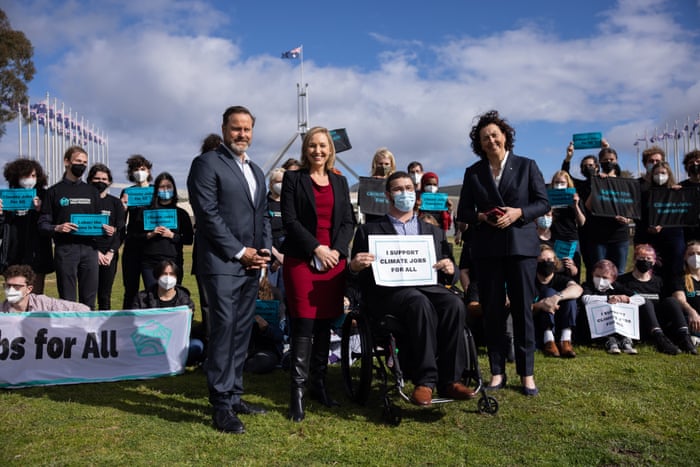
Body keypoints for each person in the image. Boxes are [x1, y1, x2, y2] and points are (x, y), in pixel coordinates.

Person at [350, 171, 475, 406]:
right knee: (417, 302)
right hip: (388, 294)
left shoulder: (434, 232)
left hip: (427, 287)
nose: (404, 193)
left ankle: (451, 380)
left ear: (415, 194)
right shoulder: (369, 231)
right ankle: (425, 381)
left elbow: (452, 273)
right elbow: (355, 278)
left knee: (454, 303)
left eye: (408, 188)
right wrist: (355, 266)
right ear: (388, 195)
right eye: (398, 189)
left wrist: (451, 269)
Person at [187, 105, 271, 434]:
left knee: (240, 331)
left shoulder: (257, 171)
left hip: (252, 264)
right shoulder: (207, 163)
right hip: (221, 263)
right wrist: (240, 252)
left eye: (247, 129)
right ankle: (220, 405)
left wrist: (262, 250)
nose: (242, 134)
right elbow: (207, 214)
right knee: (222, 330)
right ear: (224, 129)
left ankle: (235, 394)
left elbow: (262, 214)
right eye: (236, 128)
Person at [456, 110, 549, 396]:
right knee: (493, 312)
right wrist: (483, 217)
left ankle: (527, 373)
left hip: (521, 247)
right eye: (485, 138)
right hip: (487, 249)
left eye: (495, 135)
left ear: (505, 136)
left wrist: (519, 212)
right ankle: (497, 371)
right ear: (479, 144)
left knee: (522, 311)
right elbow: (464, 212)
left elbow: (542, 203)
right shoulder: (474, 173)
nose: (491, 140)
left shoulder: (526, 166)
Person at [280, 126, 354, 422]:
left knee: (325, 325)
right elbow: (290, 220)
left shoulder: (340, 181)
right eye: (313, 146)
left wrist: (335, 250)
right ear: (305, 149)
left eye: (323, 146)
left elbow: (348, 221)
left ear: (330, 150)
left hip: (333, 262)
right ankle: (296, 394)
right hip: (301, 260)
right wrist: (316, 249)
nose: (318, 151)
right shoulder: (293, 179)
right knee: (304, 325)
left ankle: (318, 386)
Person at [38, 145, 108, 309]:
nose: (81, 165)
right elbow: (43, 224)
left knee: (89, 299)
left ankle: (88, 332)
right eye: (78, 161)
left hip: (90, 250)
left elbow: (98, 222)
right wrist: (57, 228)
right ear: (66, 162)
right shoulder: (53, 192)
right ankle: (69, 333)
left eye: (84, 162)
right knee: (67, 300)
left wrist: (106, 230)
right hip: (65, 249)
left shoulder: (92, 191)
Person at [617, 244, 696, 354]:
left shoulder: (659, 281)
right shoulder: (622, 281)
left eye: (648, 258)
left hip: (659, 321)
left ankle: (684, 337)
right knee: (645, 302)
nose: (645, 261)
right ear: (635, 260)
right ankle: (659, 340)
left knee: (671, 301)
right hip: (637, 323)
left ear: (654, 262)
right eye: (641, 258)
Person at [130, 259, 205, 365]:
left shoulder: (184, 299)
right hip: (150, 341)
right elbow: (134, 320)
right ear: (157, 276)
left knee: (197, 346)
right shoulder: (142, 298)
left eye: (171, 274)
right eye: (164, 274)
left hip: (177, 342)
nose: (168, 278)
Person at [0, 158, 53, 292]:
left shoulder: (45, 196)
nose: (30, 179)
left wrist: (41, 211)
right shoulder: (6, 198)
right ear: (16, 177)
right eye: (25, 175)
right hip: (12, 256)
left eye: (33, 175)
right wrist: (0, 214)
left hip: (37, 255)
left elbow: (49, 226)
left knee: (35, 296)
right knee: (14, 296)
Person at [583, 147, 635, 278]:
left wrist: (628, 218)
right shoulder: (597, 180)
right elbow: (588, 206)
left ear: (617, 161)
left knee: (620, 272)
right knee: (600, 271)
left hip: (619, 235)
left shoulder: (624, 181)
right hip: (598, 235)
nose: (609, 162)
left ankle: (618, 297)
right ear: (599, 162)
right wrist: (598, 185)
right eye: (605, 160)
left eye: (611, 159)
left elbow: (631, 206)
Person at [633, 161, 685, 290]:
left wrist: (680, 194)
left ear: (669, 174)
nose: (659, 176)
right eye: (656, 173)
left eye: (663, 173)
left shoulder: (676, 192)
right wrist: (648, 227)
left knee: (673, 270)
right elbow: (638, 216)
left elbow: (682, 214)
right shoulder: (645, 194)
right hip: (650, 237)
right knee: (653, 269)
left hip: (672, 238)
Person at [140, 172, 193, 288]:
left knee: (172, 297)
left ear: (174, 189)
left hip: (174, 261)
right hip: (150, 262)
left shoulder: (181, 214)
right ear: (156, 189)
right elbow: (135, 235)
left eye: (168, 187)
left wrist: (172, 235)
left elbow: (189, 239)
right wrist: (150, 234)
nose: (165, 190)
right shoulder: (146, 212)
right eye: (162, 187)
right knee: (152, 298)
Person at [581, 259, 643, 355]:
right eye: (597, 276)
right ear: (593, 274)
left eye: (605, 278)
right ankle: (610, 341)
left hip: (618, 322)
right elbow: (586, 299)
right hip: (597, 324)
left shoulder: (617, 286)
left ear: (613, 279)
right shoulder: (588, 285)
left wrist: (626, 299)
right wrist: (608, 298)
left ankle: (625, 340)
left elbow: (641, 299)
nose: (600, 280)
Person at [532, 245, 583, 358]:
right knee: (548, 292)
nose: (546, 263)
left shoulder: (561, 279)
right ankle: (548, 340)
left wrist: (556, 298)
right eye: (542, 260)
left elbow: (577, 289)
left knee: (570, 298)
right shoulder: (530, 281)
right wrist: (540, 305)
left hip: (559, 319)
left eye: (550, 260)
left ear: (555, 262)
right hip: (538, 322)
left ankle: (565, 340)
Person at [87, 164, 125, 310]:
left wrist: (110, 252)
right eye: (96, 178)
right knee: (88, 294)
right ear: (90, 180)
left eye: (104, 178)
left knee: (105, 295)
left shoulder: (115, 203)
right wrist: (94, 252)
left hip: (109, 255)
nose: (100, 181)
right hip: (89, 253)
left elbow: (121, 230)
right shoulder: (85, 201)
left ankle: (104, 328)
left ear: (109, 181)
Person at [120, 154, 154, 308]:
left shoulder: (156, 190)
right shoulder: (127, 192)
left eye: (143, 169)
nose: (139, 172)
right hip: (132, 245)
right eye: (136, 169)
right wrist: (123, 208)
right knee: (130, 290)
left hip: (152, 246)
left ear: (148, 171)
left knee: (152, 289)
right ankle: (127, 324)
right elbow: (121, 220)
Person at [2, 264, 89, 312]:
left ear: (29, 289)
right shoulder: (2, 310)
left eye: (17, 286)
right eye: (8, 286)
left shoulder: (44, 304)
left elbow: (83, 310)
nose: (11, 290)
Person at [549, 170, 585, 281]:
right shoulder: (548, 198)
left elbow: (582, 222)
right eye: (556, 182)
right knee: (553, 269)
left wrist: (575, 206)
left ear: (568, 184)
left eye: (562, 182)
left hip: (570, 240)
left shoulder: (575, 199)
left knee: (572, 269)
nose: (559, 185)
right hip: (553, 238)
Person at [671, 240, 700, 350]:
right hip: (691, 319)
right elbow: (680, 299)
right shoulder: (679, 278)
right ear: (685, 257)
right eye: (691, 254)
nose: (695, 257)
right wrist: (692, 312)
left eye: (698, 253)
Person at [266, 167, 286, 293]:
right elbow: (263, 230)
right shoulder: (264, 203)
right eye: (277, 181)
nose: (280, 185)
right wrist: (276, 255)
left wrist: (281, 258)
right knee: (269, 294)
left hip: (286, 254)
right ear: (271, 184)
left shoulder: (289, 204)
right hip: (269, 253)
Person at [679, 150, 700, 242]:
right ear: (687, 167)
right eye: (691, 162)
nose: (695, 164)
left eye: (698, 161)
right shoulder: (680, 187)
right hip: (687, 234)